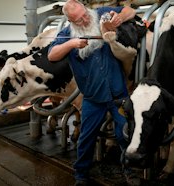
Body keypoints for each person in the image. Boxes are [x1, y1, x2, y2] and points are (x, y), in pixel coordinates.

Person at [48, 0, 139, 185]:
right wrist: (71, 44)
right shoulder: (67, 34)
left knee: (125, 133)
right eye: (79, 20)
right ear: (70, 21)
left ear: (85, 8)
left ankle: (129, 170)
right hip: (92, 98)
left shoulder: (101, 13)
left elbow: (130, 11)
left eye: (85, 14)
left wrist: (119, 18)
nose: (85, 19)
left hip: (118, 95)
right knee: (86, 137)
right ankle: (81, 175)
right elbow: (52, 55)